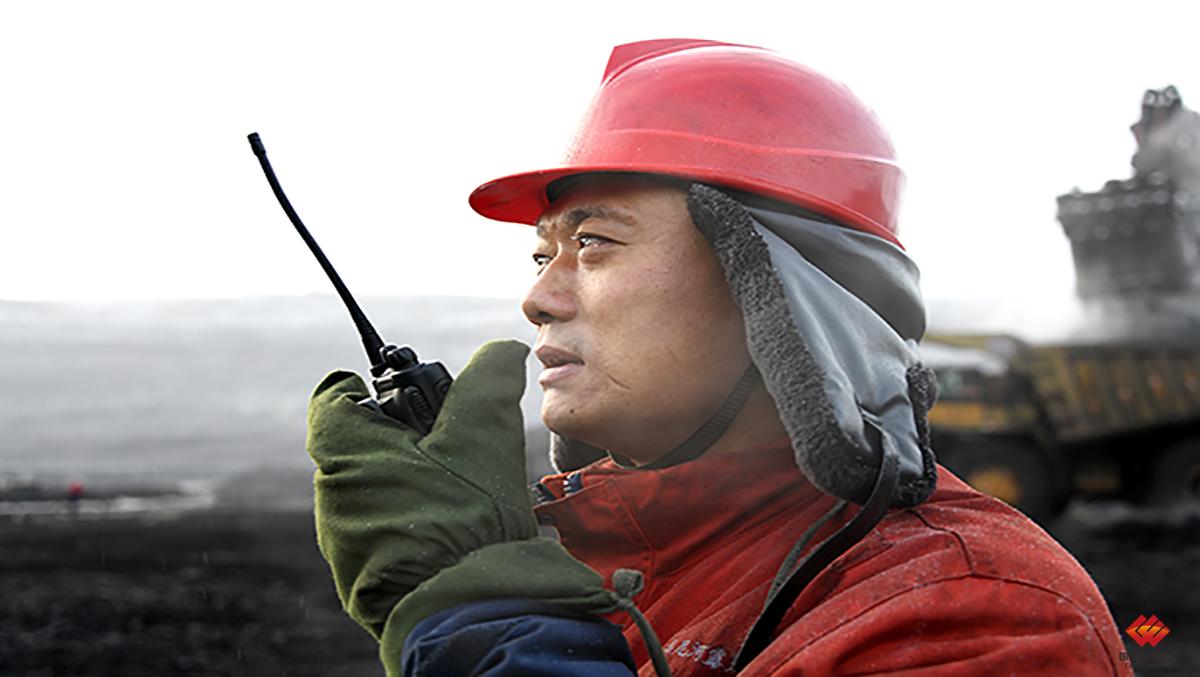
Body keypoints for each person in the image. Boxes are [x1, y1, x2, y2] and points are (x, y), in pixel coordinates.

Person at [305, 39, 1131, 675]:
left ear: (774, 284)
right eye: (540, 254)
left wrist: (484, 615)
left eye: (594, 243)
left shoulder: (976, 610)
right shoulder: (596, 556)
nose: (539, 297)